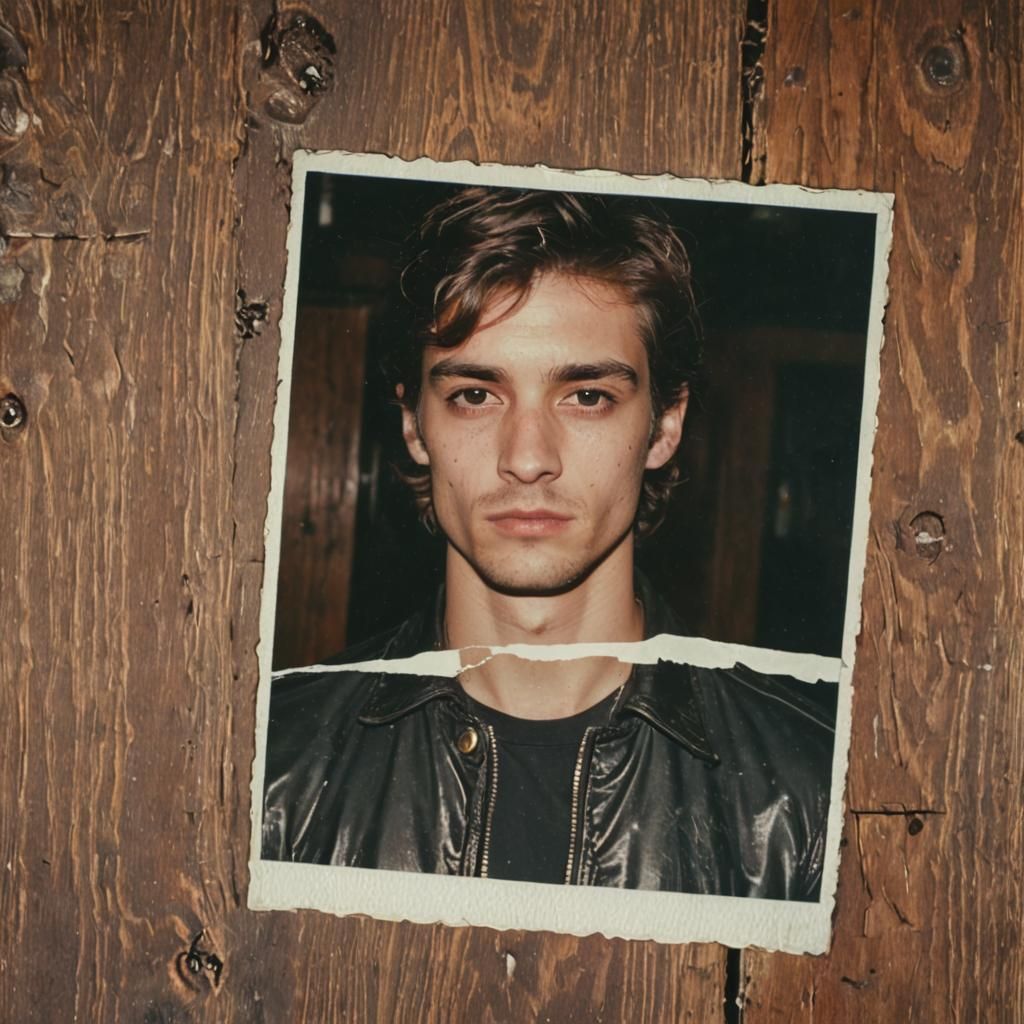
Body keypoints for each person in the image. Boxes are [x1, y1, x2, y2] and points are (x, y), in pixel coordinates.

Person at [262, 187, 836, 899]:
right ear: (414, 425)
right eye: (476, 394)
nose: (528, 458)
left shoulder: (812, 797)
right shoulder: (271, 776)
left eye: (586, 396)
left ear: (664, 426)